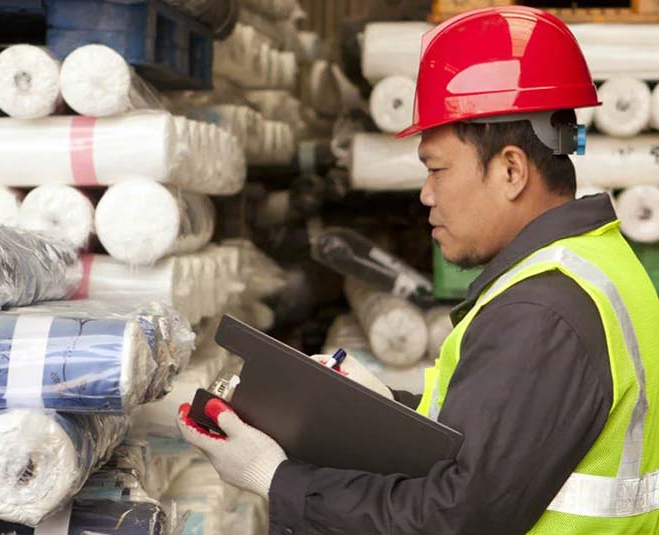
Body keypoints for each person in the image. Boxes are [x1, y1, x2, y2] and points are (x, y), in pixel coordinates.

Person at [177, 6, 659, 534]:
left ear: (512, 170)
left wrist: (276, 478)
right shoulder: (596, 261)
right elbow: (501, 441)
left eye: (436, 169)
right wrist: (379, 406)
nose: (426, 195)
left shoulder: (542, 312)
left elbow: (452, 519)